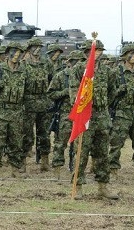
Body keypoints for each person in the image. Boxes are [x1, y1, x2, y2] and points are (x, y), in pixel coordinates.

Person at [69, 39, 118, 200]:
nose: (97, 53)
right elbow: (73, 94)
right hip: (85, 116)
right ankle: (79, 185)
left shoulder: (107, 71)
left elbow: (112, 92)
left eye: (99, 51)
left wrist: (102, 105)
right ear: (86, 53)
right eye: (94, 51)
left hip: (102, 116)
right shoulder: (78, 70)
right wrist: (83, 109)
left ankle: (103, 186)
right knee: (81, 153)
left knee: (102, 153)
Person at [0, 41, 26, 178]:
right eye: (14, 52)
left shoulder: (24, 70)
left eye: (19, 53)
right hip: (0, 113)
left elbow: (28, 91)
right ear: (8, 54)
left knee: (16, 143)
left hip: (17, 113)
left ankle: (15, 170)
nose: (16, 56)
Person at [108, 44, 134, 181]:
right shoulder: (116, 72)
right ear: (125, 56)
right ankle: (113, 171)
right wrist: (119, 91)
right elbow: (109, 93)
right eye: (132, 53)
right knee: (116, 143)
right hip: (121, 113)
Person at [47, 50, 84, 180]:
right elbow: (51, 93)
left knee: (79, 144)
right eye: (75, 62)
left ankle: (76, 170)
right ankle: (57, 168)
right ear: (69, 63)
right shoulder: (61, 76)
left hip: (80, 115)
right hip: (65, 114)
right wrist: (64, 92)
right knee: (60, 143)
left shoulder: (85, 77)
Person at [21, 38, 53, 172]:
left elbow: (52, 79)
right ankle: (22, 162)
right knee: (26, 134)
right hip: (28, 103)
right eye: (34, 47)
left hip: (44, 102)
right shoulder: (23, 64)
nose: (37, 49)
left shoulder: (46, 63)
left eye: (39, 47)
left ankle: (45, 161)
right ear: (29, 49)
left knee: (44, 134)